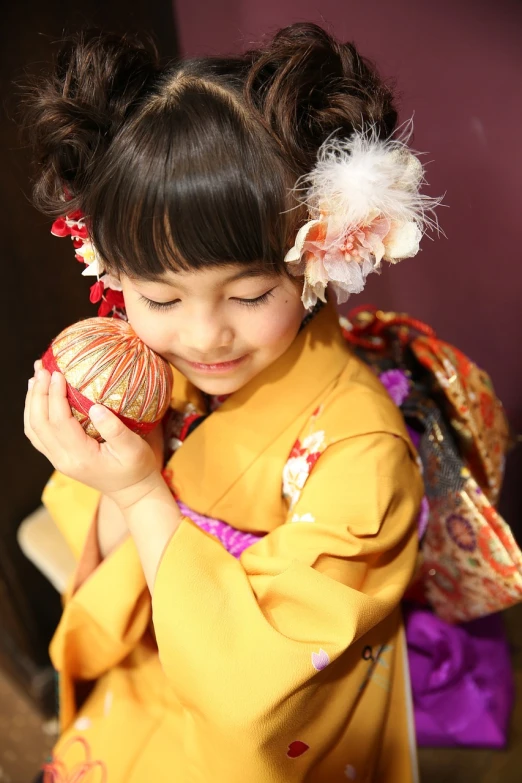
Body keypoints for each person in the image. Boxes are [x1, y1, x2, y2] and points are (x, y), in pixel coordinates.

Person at [22, 22, 432, 782]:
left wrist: (145, 493)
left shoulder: (360, 453)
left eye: (249, 293)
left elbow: (263, 693)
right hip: (145, 685)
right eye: (158, 294)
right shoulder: (152, 373)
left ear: (314, 262)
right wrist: (117, 480)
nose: (205, 336)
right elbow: (104, 582)